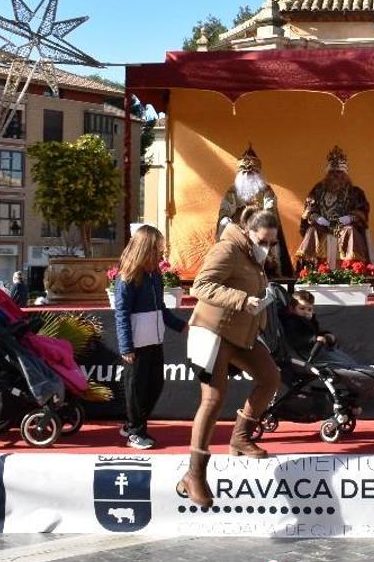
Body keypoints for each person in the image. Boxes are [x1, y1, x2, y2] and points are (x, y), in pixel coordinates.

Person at [179, 208, 283, 507]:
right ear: (248, 232)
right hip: (213, 331)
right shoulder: (227, 249)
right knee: (213, 398)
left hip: (242, 334)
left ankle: (240, 437)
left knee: (270, 378)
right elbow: (201, 286)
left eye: (272, 243)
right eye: (263, 241)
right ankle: (194, 474)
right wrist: (241, 299)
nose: (267, 248)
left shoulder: (252, 255)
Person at [113, 225, 187, 450]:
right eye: (156, 249)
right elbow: (121, 314)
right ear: (144, 249)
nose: (160, 254)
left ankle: (132, 425)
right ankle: (136, 432)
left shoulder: (155, 275)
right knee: (136, 390)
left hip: (155, 341)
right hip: (136, 345)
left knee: (155, 385)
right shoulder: (126, 277)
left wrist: (181, 326)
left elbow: (161, 309)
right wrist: (126, 347)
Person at [217, 144, 292, 276]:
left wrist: (261, 220)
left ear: (257, 173)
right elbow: (225, 208)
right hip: (239, 227)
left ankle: (268, 272)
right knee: (228, 234)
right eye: (244, 172)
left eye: (251, 172)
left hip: (260, 226)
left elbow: (270, 207)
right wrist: (225, 219)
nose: (248, 175)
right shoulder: (233, 190)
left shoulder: (266, 189)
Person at [295, 145, 371, 270]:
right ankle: (310, 268)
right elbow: (309, 208)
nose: (335, 175)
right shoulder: (318, 189)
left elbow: (362, 211)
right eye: (332, 172)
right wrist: (317, 218)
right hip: (322, 227)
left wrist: (349, 218)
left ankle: (352, 269)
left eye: (339, 172)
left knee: (350, 231)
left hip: (343, 227)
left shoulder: (355, 192)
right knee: (312, 230)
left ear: (344, 174)